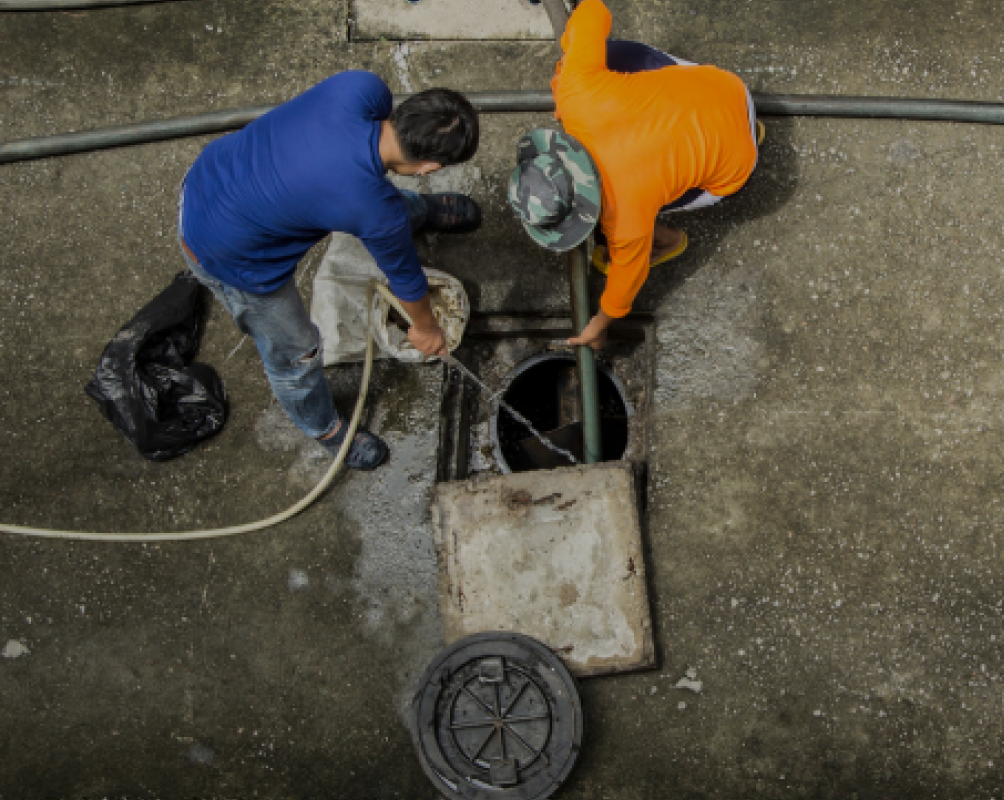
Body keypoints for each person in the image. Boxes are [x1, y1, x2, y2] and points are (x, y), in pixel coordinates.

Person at [178, 71, 482, 470]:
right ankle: (324, 429)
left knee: (377, 205)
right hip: (226, 253)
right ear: (428, 167)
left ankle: (417, 212)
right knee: (296, 352)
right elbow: (407, 281)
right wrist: (425, 329)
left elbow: (365, 188)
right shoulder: (374, 210)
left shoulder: (361, 88)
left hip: (212, 174)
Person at [508, 0, 761, 349]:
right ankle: (753, 129)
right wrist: (566, 71)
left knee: (639, 217)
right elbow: (593, 10)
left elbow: (626, 281)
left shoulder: (622, 216)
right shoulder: (576, 92)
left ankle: (669, 241)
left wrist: (597, 327)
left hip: (736, 166)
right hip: (727, 89)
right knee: (609, 54)